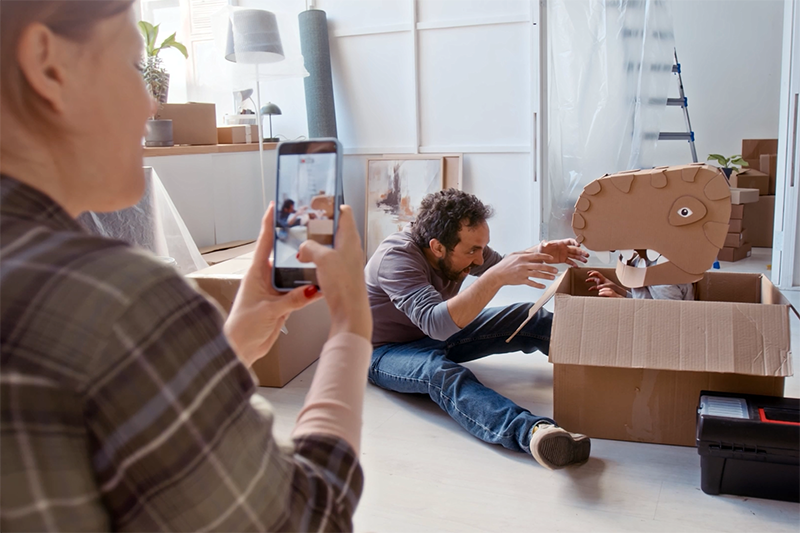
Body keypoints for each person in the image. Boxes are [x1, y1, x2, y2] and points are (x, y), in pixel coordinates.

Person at [0, 2, 372, 530]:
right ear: (47, 63)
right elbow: (308, 515)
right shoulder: (118, 300)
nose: (151, 105)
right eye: (133, 65)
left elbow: (113, 425)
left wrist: (231, 343)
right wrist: (350, 328)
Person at [365, 188, 592, 469]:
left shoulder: (456, 249)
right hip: (384, 351)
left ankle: (604, 365)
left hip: (434, 333)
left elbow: (495, 265)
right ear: (437, 247)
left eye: (482, 248)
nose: (480, 260)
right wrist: (496, 279)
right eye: (472, 250)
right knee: (439, 372)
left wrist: (540, 253)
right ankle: (534, 433)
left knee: (526, 315)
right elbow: (436, 324)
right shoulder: (396, 258)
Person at [586, 249, 695, 300]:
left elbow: (667, 317)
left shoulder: (662, 276)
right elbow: (643, 300)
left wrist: (621, 301)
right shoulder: (638, 260)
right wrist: (617, 289)